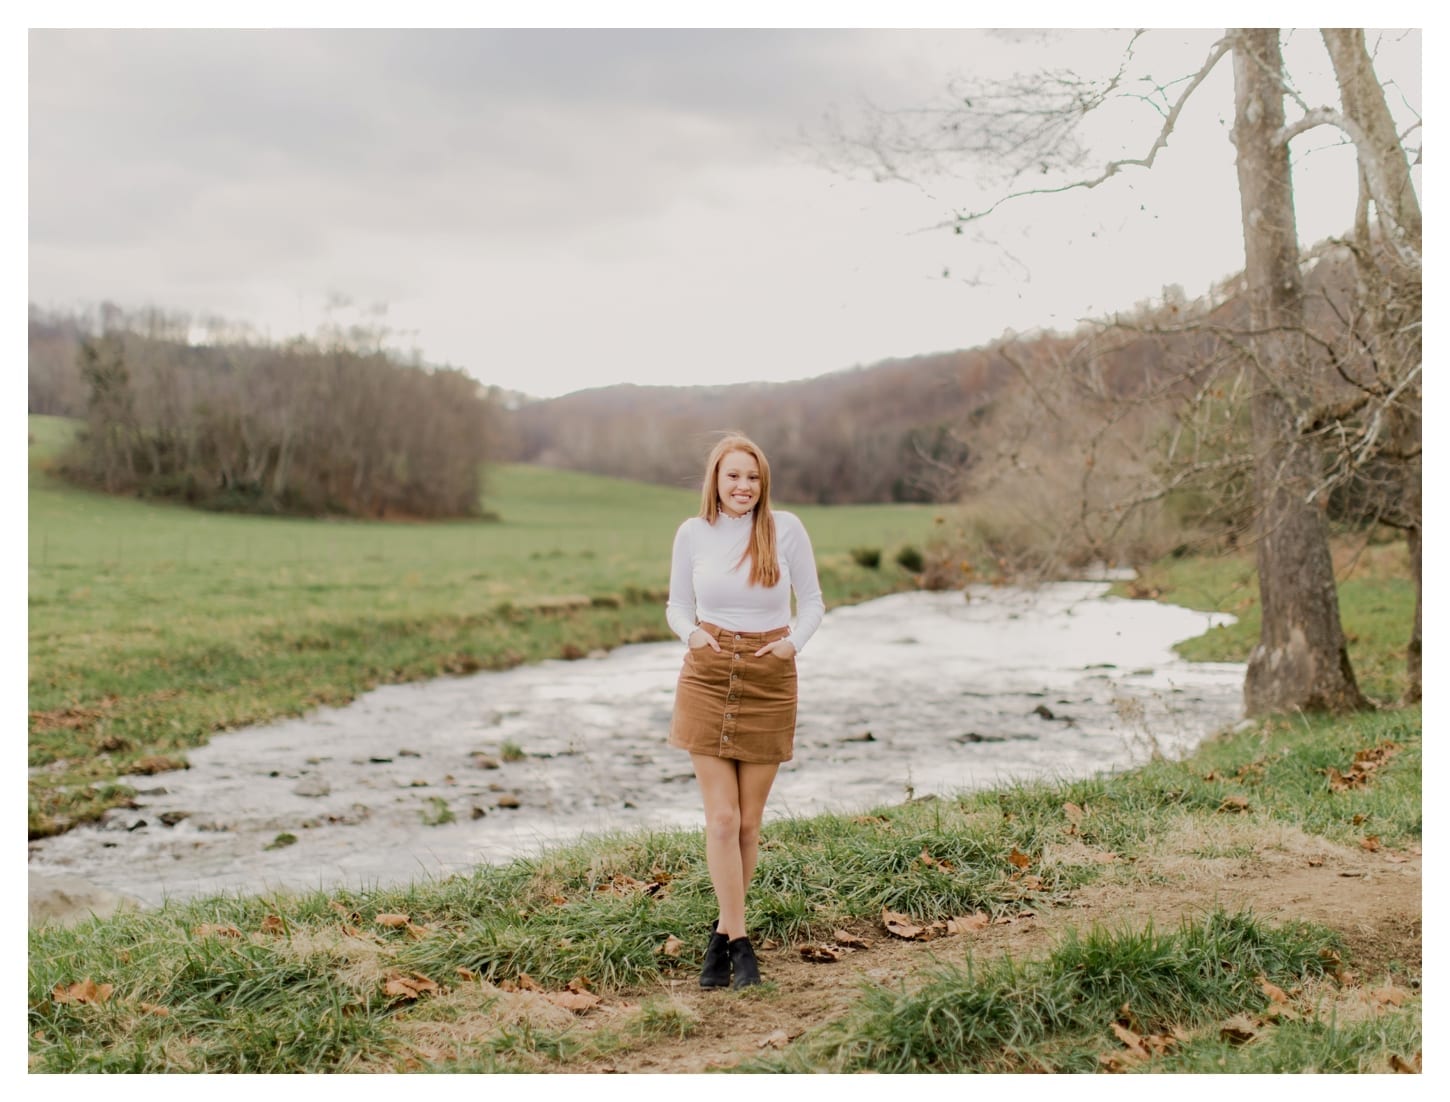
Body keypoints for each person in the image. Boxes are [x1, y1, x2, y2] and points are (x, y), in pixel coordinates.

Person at [665, 433, 824, 989]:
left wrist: (791, 645)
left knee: (750, 823)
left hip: (768, 673)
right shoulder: (693, 533)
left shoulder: (787, 529)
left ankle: (720, 937)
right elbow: (677, 604)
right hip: (708, 672)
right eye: (733, 476)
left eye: (752, 477)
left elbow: (815, 603)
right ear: (716, 479)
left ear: (764, 483)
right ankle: (740, 941)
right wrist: (692, 637)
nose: (743, 487)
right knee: (723, 819)